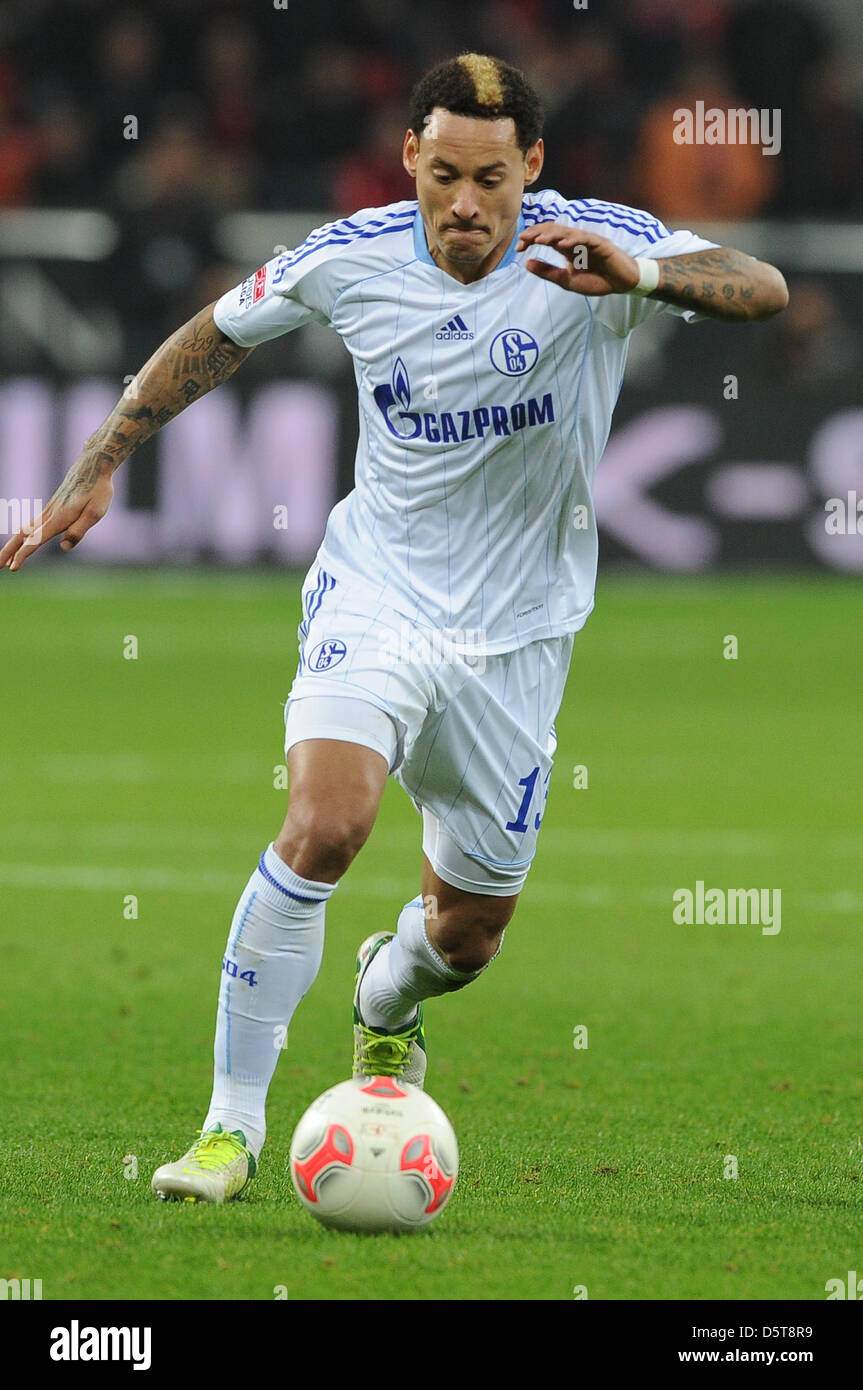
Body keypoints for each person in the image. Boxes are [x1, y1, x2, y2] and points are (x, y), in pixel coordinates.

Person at [0, 52, 788, 1204]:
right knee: (327, 824)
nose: (464, 206)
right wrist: (99, 462)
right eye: (442, 175)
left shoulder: (592, 241)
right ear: (410, 158)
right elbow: (214, 333)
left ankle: (384, 993)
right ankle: (229, 1130)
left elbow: (760, 284)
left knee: (466, 936)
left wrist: (646, 276)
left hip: (518, 637)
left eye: (490, 179)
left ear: (531, 167)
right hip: (379, 592)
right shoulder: (350, 256)